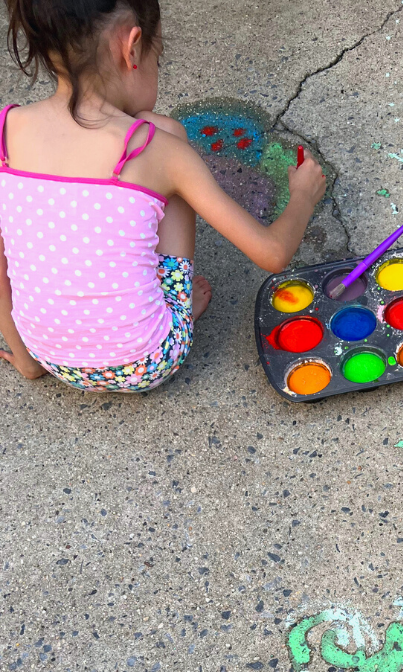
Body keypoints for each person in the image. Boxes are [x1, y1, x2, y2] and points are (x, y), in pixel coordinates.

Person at [0, 0, 326, 391]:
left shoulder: (7, 131)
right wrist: (303, 197)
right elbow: (273, 253)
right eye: (159, 57)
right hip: (148, 360)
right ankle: (177, 310)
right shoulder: (157, 150)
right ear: (132, 47)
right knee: (170, 136)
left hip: (49, 356)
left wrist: (26, 356)